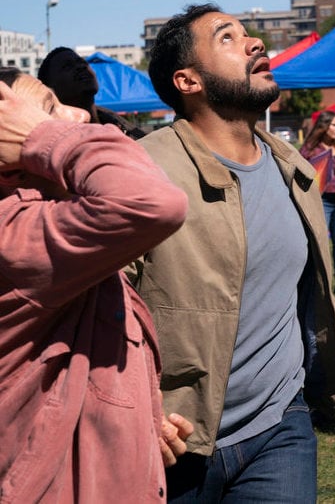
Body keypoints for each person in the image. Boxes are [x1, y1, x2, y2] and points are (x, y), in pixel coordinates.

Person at [125, 3, 335, 503]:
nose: (255, 42)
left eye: (248, 34)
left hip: (281, 426)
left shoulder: (292, 168)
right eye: (227, 39)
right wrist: (132, 411)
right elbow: (100, 307)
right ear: (188, 81)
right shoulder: (143, 172)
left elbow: (304, 287)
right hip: (175, 440)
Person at [0, 67, 193, 501]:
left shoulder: (54, 222)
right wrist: (46, 137)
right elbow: (153, 202)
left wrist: (138, 421)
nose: (80, 117)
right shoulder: (14, 232)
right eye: (48, 111)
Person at [38, 46, 146, 138]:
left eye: (82, 62)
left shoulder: (123, 128)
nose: (81, 67)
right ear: (49, 89)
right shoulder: (54, 143)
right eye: (67, 66)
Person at [300, 111, 335, 286]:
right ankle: (319, 282)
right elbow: (301, 171)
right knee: (319, 243)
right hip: (322, 200)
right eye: (334, 125)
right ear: (323, 127)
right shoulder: (310, 149)